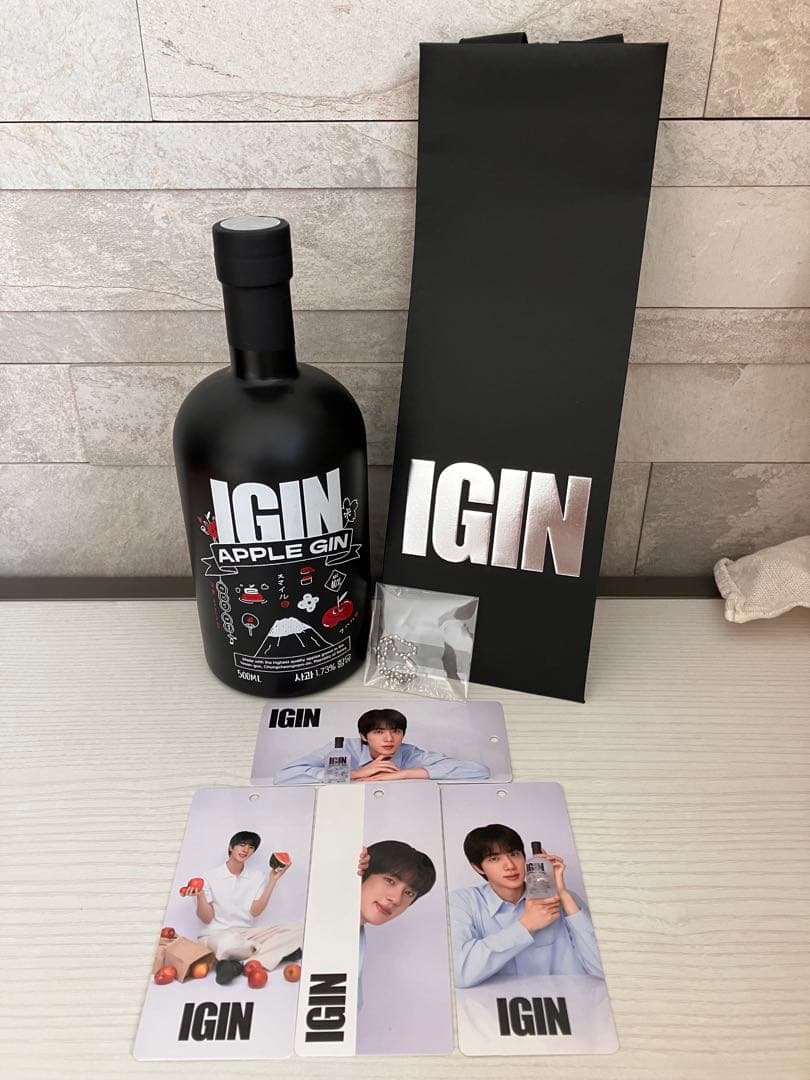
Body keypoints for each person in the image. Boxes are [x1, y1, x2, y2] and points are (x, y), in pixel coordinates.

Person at [449, 823, 604, 988]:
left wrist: (563, 893)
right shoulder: (463, 901)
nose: (510, 865)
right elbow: (460, 974)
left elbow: (603, 970)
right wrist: (526, 925)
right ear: (478, 868)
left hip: (570, 1000)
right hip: (503, 1003)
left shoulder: (565, 899)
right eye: (494, 859)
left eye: (514, 854)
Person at [185, 830, 302, 977]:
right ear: (231, 847)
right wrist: (200, 896)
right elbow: (206, 918)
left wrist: (273, 880)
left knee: (299, 930)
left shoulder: (257, 877)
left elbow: (255, 912)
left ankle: (239, 963)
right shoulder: (209, 877)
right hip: (216, 935)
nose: (246, 849)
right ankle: (267, 953)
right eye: (242, 845)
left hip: (246, 934)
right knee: (226, 945)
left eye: (251, 847)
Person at [274, 707, 490, 784]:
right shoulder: (342, 747)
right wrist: (354, 773)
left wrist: (405, 774)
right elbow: (283, 776)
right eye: (379, 732)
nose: (389, 739)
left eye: (396, 731)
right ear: (364, 736)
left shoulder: (409, 753)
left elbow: (479, 770)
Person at [356, 840, 436, 1007]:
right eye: (390, 881)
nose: (396, 899)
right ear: (364, 872)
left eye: (409, 893)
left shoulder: (357, 942)